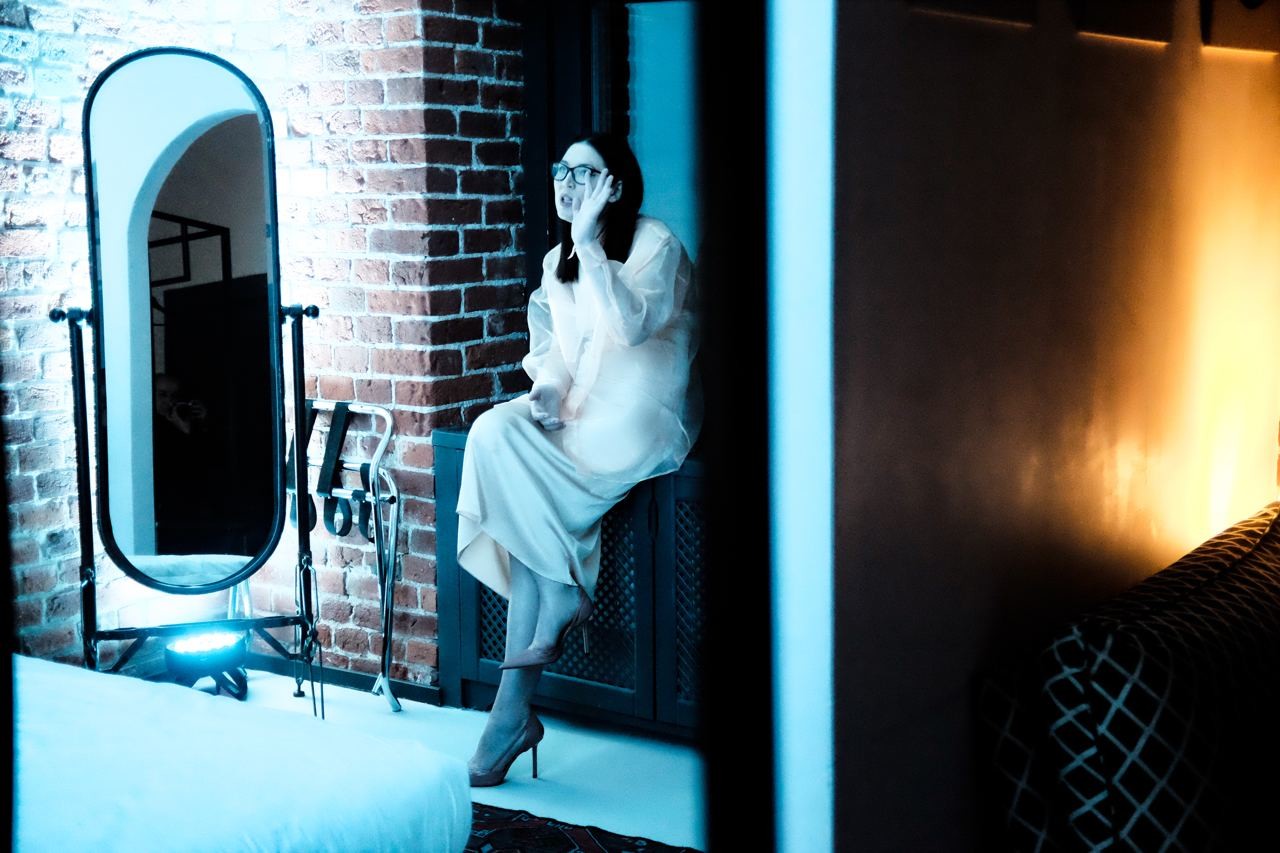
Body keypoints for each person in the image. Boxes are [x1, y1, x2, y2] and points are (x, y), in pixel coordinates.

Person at [456, 131, 701, 787]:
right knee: (491, 430)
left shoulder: (655, 244)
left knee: (521, 508)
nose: (567, 183)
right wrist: (547, 390)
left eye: (584, 174)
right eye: (561, 170)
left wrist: (591, 244)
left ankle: (510, 715)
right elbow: (556, 353)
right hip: (578, 410)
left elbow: (632, 330)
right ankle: (526, 679)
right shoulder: (555, 259)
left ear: (615, 187)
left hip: (637, 415)